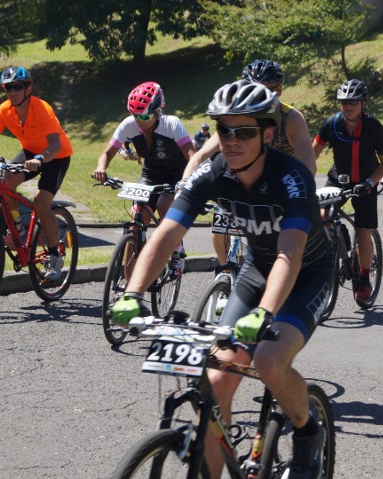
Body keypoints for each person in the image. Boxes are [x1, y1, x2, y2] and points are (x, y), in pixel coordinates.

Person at [111, 80, 331, 479]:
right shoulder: (213, 173)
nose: (231, 140)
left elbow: (290, 253)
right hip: (256, 271)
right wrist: (132, 293)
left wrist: (265, 312)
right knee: (216, 379)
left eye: (243, 131)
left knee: (267, 359)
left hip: (307, 273)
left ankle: (308, 430)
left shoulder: (291, 178)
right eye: (223, 130)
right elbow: (166, 234)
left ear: (267, 134)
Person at [187, 59, 317, 275]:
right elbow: (201, 155)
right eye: (254, 90)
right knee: (219, 226)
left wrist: (294, 196)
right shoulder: (235, 118)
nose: (262, 97)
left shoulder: (291, 118)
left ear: (280, 90)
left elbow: (308, 165)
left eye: (269, 91)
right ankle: (226, 274)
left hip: (281, 185)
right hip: (244, 183)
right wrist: (185, 183)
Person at [0, 66, 73, 281]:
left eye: (17, 87)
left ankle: (55, 254)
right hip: (30, 151)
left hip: (56, 156)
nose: (12, 92)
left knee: (40, 202)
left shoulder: (42, 108)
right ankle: (16, 232)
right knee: (5, 183)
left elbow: (55, 144)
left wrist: (39, 160)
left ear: (28, 88)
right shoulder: (5, 110)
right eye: (8, 88)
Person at [92, 81, 195, 276]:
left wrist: (187, 180)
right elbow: (107, 153)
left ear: (157, 111)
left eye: (145, 116)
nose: (140, 120)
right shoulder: (129, 125)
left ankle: (177, 252)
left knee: (165, 206)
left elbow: (192, 155)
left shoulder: (172, 124)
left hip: (176, 174)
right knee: (135, 224)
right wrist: (101, 167)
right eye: (135, 115)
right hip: (150, 174)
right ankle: (127, 284)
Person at [313, 79, 383, 302]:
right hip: (338, 178)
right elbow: (312, 154)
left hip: (365, 182)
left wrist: (370, 182)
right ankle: (337, 243)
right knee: (323, 217)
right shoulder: (331, 124)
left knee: (364, 232)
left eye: (353, 101)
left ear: (362, 103)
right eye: (343, 101)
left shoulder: (374, 127)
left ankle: (364, 278)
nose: (347, 105)